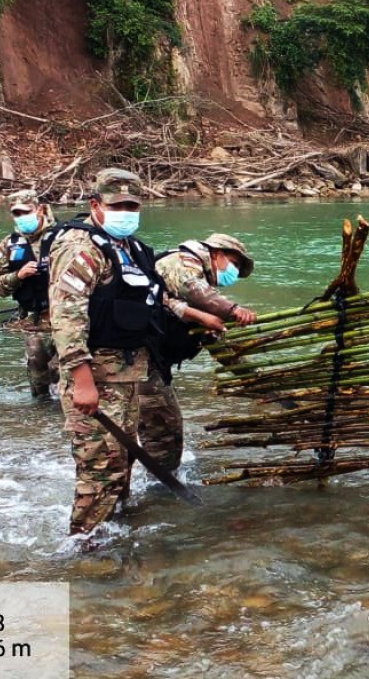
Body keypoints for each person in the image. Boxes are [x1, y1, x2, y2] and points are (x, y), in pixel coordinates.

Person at [48, 168, 224, 537]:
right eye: (117, 206)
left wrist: (195, 315)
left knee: (121, 459)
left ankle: (115, 532)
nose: (126, 212)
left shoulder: (132, 249)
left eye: (132, 205)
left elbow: (155, 297)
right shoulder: (81, 248)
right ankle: (84, 547)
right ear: (96, 205)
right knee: (100, 468)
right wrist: (81, 380)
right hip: (96, 375)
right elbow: (66, 315)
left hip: (128, 376)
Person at [138, 233, 258, 472]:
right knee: (164, 427)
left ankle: (153, 476)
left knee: (161, 425)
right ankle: (158, 483)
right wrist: (234, 310)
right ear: (217, 253)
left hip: (150, 361)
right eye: (233, 263)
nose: (234, 272)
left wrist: (255, 378)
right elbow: (193, 288)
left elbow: (218, 346)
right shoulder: (182, 262)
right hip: (135, 359)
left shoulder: (201, 291)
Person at [0, 189, 60, 398]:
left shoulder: (64, 236)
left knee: (68, 372)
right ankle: (39, 415)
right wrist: (17, 276)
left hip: (66, 317)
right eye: (16, 213)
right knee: (39, 380)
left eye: (25, 212)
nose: (21, 217)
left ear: (39, 210)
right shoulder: (9, 245)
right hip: (33, 322)